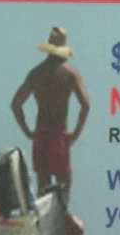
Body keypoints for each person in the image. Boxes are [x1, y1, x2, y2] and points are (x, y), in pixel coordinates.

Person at [11, 26, 90, 204]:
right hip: (58, 134)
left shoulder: (36, 73)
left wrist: (27, 132)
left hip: (40, 133)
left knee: (43, 183)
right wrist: (76, 133)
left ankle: (43, 219)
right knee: (65, 180)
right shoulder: (70, 73)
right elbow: (85, 105)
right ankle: (61, 217)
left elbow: (16, 104)